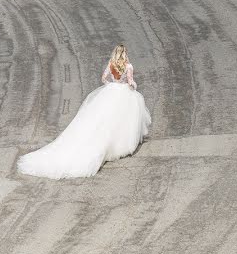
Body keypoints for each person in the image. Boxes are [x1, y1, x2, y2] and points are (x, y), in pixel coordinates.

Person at [17, 45, 151, 179]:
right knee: (123, 118)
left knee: (105, 119)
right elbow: (131, 82)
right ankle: (121, 144)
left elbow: (103, 78)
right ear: (125, 54)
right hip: (123, 93)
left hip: (110, 91)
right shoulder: (128, 67)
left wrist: (111, 86)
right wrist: (133, 86)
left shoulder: (111, 64)